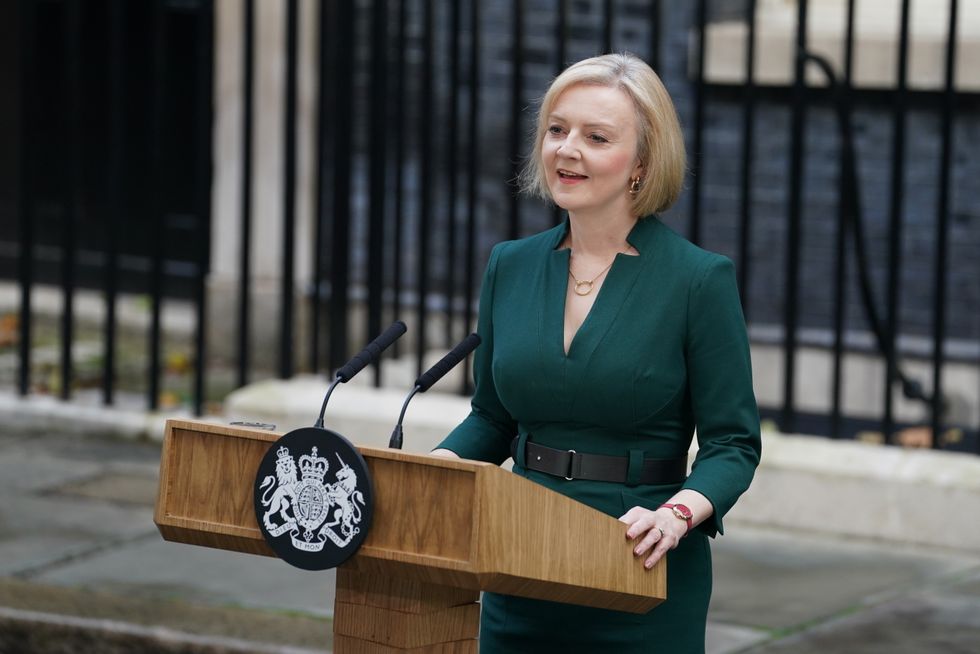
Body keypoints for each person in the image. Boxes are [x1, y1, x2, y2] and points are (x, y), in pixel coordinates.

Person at [431, 53, 761, 653]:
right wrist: (434, 471)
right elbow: (493, 418)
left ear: (642, 164)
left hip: (638, 561)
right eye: (557, 129)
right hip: (518, 557)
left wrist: (678, 514)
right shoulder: (510, 264)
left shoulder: (697, 280)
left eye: (596, 137)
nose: (567, 149)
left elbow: (733, 444)